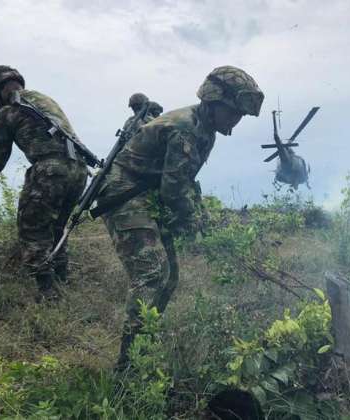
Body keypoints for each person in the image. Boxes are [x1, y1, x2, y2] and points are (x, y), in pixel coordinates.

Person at [99, 65, 264, 370]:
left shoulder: (206, 130)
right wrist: (201, 232)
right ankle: (128, 368)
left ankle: (142, 347)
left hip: (147, 193)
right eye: (234, 112)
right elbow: (175, 191)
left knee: (169, 277)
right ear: (214, 102)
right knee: (151, 274)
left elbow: (187, 182)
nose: (236, 120)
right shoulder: (186, 127)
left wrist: (203, 221)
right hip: (124, 192)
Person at [0, 65, 91, 301]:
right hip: (78, 170)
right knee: (57, 227)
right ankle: (62, 279)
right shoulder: (44, 100)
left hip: (50, 170)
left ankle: (48, 293)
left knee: (33, 230)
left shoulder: (8, 111)